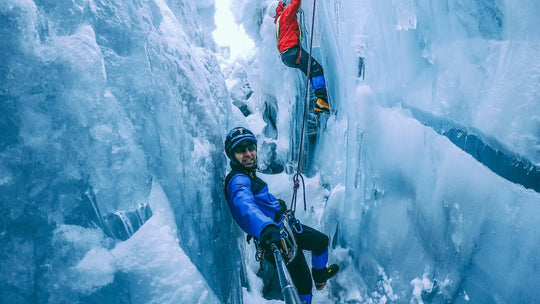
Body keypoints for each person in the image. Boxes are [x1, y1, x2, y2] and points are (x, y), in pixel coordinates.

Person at [223, 127, 339, 304]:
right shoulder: (238, 180)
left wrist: (276, 205)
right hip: (277, 239)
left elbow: (258, 202)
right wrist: (265, 227)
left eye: (251, 148)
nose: (248, 153)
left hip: (286, 228)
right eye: (240, 149)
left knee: (321, 241)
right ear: (231, 154)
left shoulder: (248, 176)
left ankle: (320, 276)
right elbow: (244, 205)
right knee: (303, 284)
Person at [267, 0, 331, 115]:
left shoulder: (278, 22)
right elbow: (295, 4)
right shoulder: (284, 15)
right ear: (279, 8)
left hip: (287, 56)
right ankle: (322, 99)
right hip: (292, 51)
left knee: (311, 72)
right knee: (317, 69)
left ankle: (321, 101)